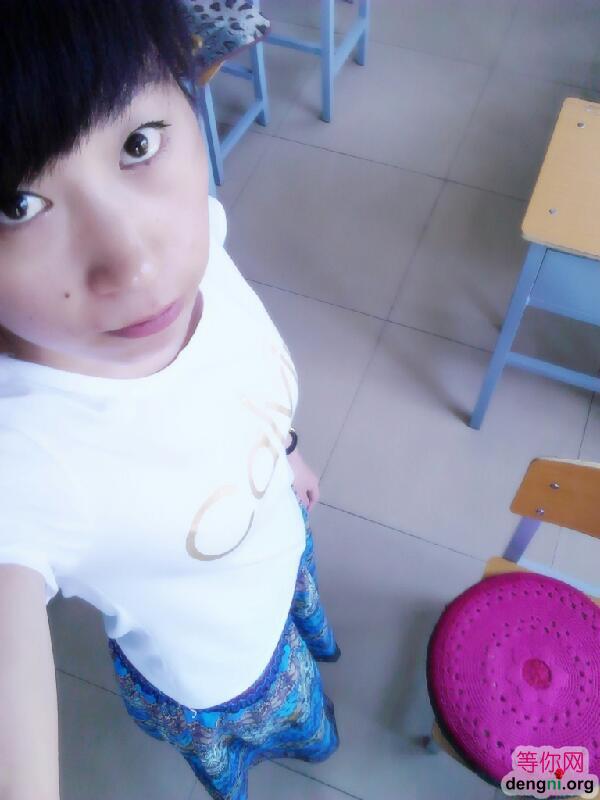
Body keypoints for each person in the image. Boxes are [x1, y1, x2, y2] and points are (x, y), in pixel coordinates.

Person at [0, 3, 340, 799]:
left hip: (282, 550)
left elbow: (238, 371)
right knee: (285, 738)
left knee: (311, 663)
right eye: (15, 205)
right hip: (213, 678)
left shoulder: (200, 242)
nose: (136, 262)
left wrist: (286, 452)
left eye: (137, 144)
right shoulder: (24, 462)